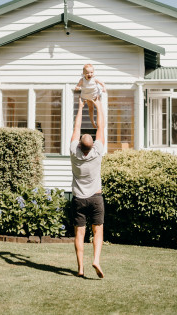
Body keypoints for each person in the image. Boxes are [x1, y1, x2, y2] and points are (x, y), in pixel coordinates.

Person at [69, 96, 105, 278]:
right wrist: (98, 105)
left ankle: (80, 269)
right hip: (96, 198)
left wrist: (81, 107)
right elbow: (101, 127)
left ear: (80, 144)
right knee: (98, 230)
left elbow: (76, 128)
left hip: (79, 199)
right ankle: (96, 260)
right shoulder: (97, 152)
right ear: (92, 145)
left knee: (79, 234)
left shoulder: (73, 152)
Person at [74, 64, 106, 128]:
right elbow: (78, 86)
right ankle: (92, 122)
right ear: (83, 73)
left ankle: (102, 123)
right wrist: (77, 87)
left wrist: (104, 87)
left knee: (99, 108)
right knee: (91, 108)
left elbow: (102, 83)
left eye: (91, 72)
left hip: (95, 96)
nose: (90, 74)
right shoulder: (82, 80)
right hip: (87, 96)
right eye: (87, 73)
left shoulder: (94, 79)